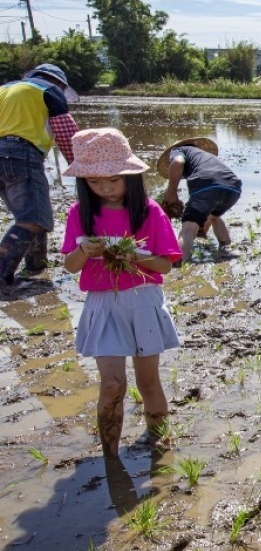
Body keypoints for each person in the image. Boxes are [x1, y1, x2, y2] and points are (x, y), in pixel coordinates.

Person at [60, 128, 182, 458]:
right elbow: (71, 266)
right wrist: (84, 249)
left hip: (143, 301)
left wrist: (134, 255)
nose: (106, 189)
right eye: (95, 182)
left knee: (149, 382)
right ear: (84, 182)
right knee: (112, 384)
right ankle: (110, 457)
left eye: (114, 180)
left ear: (130, 176)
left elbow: (165, 266)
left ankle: (158, 438)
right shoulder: (80, 214)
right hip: (102, 304)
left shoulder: (150, 212)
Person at [0, 63, 79, 292]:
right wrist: (79, 165)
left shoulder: (4, 89)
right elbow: (66, 132)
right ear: (59, 84)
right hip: (19, 152)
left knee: (33, 214)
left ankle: (36, 266)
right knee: (33, 219)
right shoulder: (49, 90)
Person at [156, 137, 242, 263]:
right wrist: (201, 231)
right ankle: (226, 247)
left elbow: (178, 162)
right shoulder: (202, 157)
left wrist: (171, 191)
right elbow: (205, 209)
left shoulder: (178, 150)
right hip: (233, 187)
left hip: (207, 184)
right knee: (214, 217)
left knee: (188, 226)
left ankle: (179, 264)